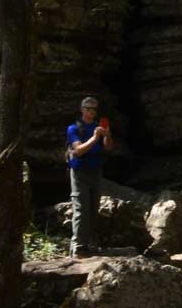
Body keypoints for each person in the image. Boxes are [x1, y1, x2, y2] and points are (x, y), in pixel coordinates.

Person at [66, 96, 112, 257]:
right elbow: (78, 150)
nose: (91, 112)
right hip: (80, 173)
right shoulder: (74, 128)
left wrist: (106, 135)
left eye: (94, 109)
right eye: (88, 108)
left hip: (96, 171)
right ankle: (78, 247)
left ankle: (88, 244)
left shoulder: (97, 126)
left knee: (93, 208)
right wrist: (95, 137)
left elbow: (108, 148)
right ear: (82, 109)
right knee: (81, 208)